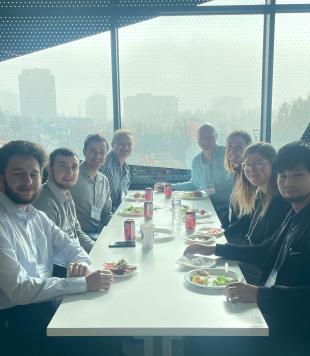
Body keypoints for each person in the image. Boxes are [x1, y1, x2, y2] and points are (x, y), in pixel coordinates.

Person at [184, 141, 310, 356]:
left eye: (297, 175)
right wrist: (215, 249)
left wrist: (260, 295)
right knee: (195, 327)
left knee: (199, 339)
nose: (288, 182)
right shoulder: (296, 213)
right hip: (271, 308)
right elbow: (264, 251)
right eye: (282, 176)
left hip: (291, 330)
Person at [0, 140, 114, 356]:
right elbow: (17, 290)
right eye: (17, 173)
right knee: (99, 343)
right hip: (13, 322)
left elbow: (72, 248)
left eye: (33, 174)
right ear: (1, 179)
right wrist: (81, 283)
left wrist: (80, 264)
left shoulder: (35, 216)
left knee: (107, 335)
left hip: (42, 304)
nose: (28, 181)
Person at [155, 123, 234, 224]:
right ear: (197, 139)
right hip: (205, 208)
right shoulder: (196, 161)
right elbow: (194, 184)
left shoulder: (228, 154)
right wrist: (169, 186)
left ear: (216, 136)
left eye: (210, 137)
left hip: (227, 210)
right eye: (202, 137)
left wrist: (203, 192)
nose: (206, 140)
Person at [224, 142, 291, 246]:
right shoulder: (260, 193)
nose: (252, 169)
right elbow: (243, 223)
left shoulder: (280, 201)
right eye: (247, 164)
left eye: (259, 163)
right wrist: (218, 236)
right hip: (248, 251)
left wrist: (218, 249)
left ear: (273, 165)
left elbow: (265, 250)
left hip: (257, 259)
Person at [33, 148, 95, 254]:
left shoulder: (65, 192)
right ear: (49, 168)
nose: (70, 172)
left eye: (74, 167)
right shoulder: (44, 202)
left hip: (76, 257)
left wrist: (96, 248)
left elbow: (77, 232)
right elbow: (53, 250)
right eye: (63, 166)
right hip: (62, 266)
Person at [70, 134, 113, 240]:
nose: (98, 156)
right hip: (77, 236)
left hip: (98, 234)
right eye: (93, 151)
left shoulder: (104, 181)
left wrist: (117, 228)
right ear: (85, 152)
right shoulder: (71, 177)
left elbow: (106, 214)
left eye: (102, 152)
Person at [223, 130, 252, 231]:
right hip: (232, 229)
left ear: (248, 149)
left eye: (239, 147)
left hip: (240, 236)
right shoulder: (238, 172)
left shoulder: (250, 176)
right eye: (229, 146)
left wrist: (225, 233)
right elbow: (232, 208)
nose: (232, 151)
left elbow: (247, 216)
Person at [99, 129, 133, 212]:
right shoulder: (105, 163)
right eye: (121, 144)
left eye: (129, 144)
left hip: (118, 212)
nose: (125, 147)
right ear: (113, 145)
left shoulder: (126, 168)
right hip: (103, 214)